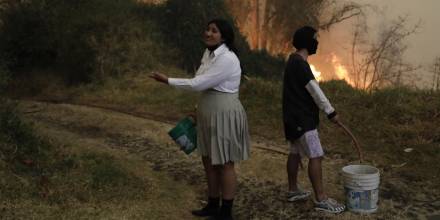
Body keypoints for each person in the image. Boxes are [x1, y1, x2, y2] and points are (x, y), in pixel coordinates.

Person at [150, 18, 250, 220]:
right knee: (208, 160)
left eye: (214, 31)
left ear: (224, 36)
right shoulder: (209, 53)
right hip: (207, 109)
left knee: (225, 162)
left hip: (224, 112)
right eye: (207, 29)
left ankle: (226, 212)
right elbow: (204, 83)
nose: (208, 33)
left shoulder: (228, 59)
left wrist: (167, 81)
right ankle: (213, 205)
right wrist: (197, 109)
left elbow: (197, 84)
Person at [282, 26, 345, 214]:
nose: (317, 42)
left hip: (292, 118)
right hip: (303, 119)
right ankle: (322, 199)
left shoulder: (292, 61)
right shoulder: (301, 65)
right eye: (315, 38)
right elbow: (315, 91)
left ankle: (293, 190)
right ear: (307, 42)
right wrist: (331, 112)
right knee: (315, 155)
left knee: (294, 152)